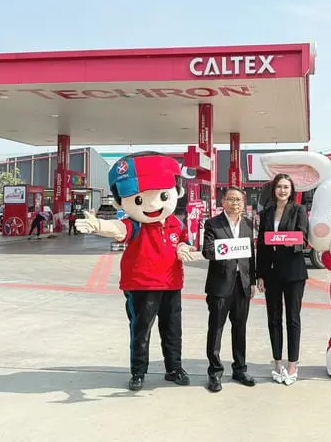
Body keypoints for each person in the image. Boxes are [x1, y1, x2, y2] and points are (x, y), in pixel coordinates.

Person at [75, 152, 197, 392]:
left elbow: (183, 241)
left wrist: (184, 248)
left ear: (177, 192)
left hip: (171, 284)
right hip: (142, 286)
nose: (152, 205)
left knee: (173, 330)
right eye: (139, 199)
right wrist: (98, 225)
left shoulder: (176, 223)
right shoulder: (135, 224)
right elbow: (117, 229)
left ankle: (174, 368)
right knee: (141, 331)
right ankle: (138, 372)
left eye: (162, 196)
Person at [201, 186, 257, 392]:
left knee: (240, 329)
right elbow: (207, 251)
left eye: (239, 200)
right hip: (220, 285)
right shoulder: (213, 223)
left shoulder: (248, 224)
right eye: (231, 199)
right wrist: (228, 250)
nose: (235, 203)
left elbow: (251, 255)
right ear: (223, 202)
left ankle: (240, 369)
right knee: (216, 329)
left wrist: (252, 281)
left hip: (242, 285)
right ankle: (215, 372)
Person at [256, 173, 309, 385]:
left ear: (291, 190)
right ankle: (277, 362)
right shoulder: (266, 213)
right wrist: (260, 274)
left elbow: (304, 239)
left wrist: (293, 243)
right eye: (279, 186)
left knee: (293, 318)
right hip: (272, 273)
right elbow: (261, 244)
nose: (283, 190)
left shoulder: (299, 210)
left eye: (286, 187)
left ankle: (292, 363)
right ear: (274, 189)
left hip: (294, 272)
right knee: (274, 318)